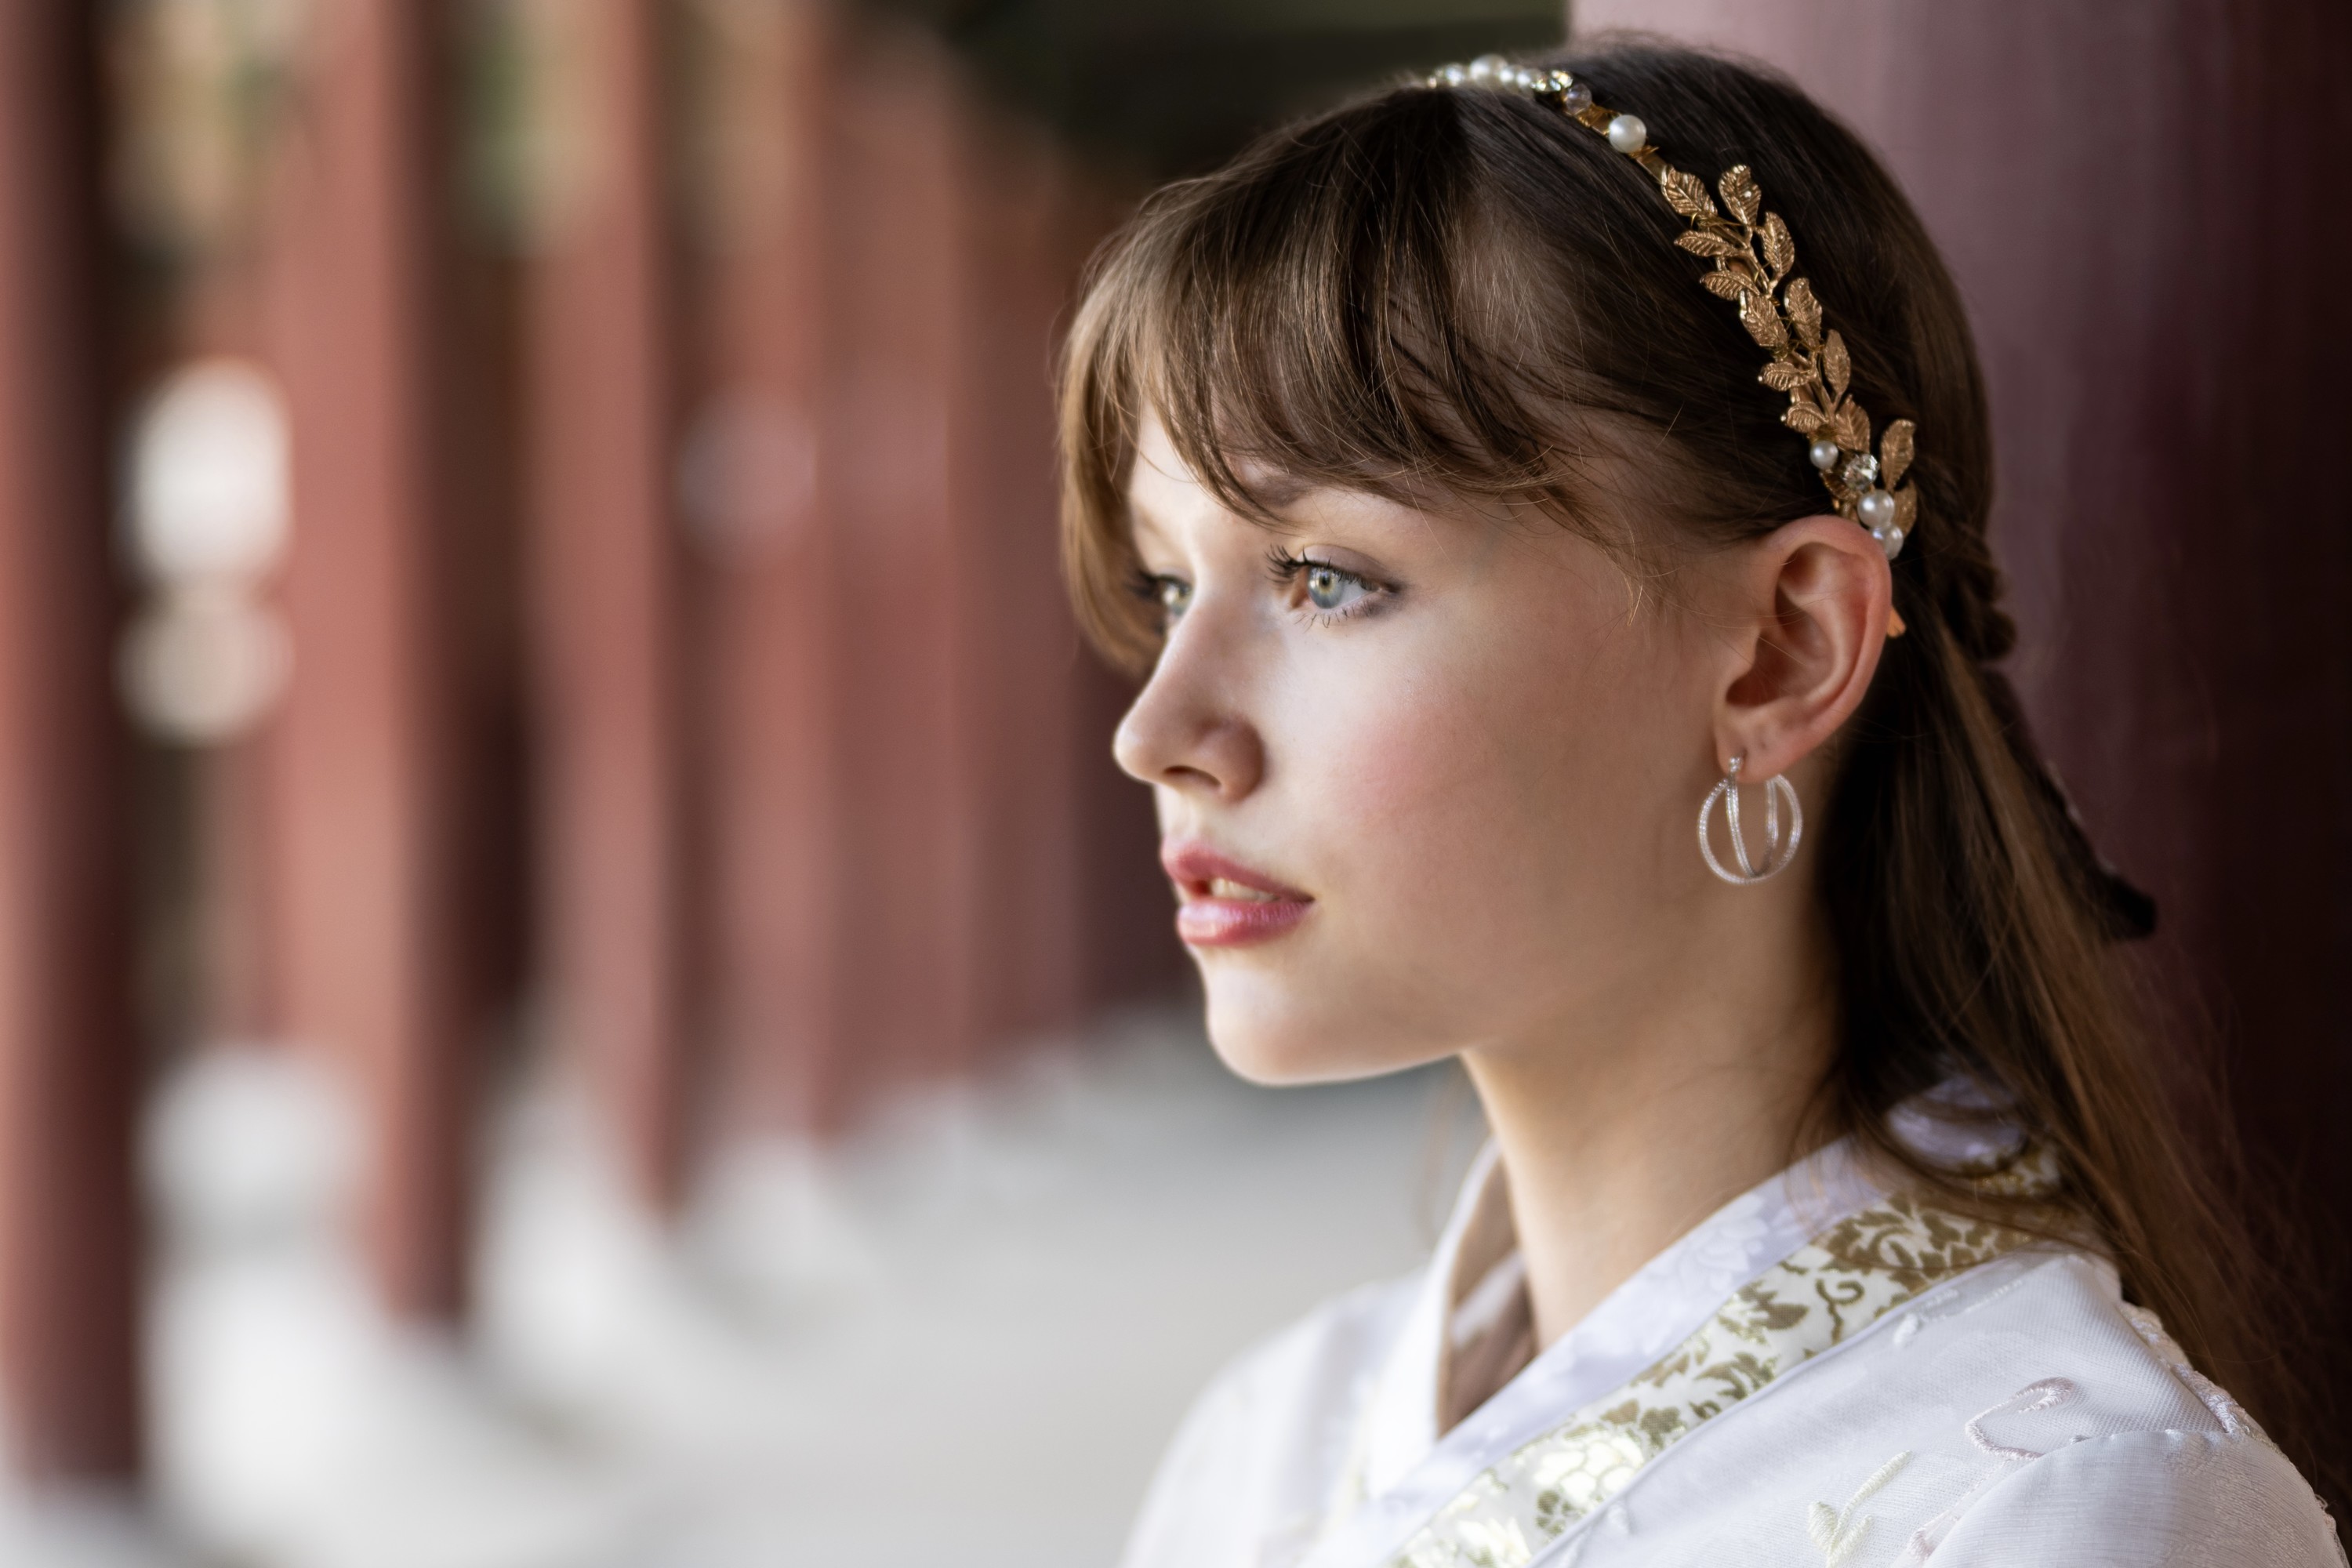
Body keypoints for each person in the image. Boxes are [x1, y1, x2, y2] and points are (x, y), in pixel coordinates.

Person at [1054, 39, 2345, 1568]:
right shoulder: (1266, 1440)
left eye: (1328, 579)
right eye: (1167, 585)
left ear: (1781, 651)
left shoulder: (2062, 1505)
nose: (1157, 732)